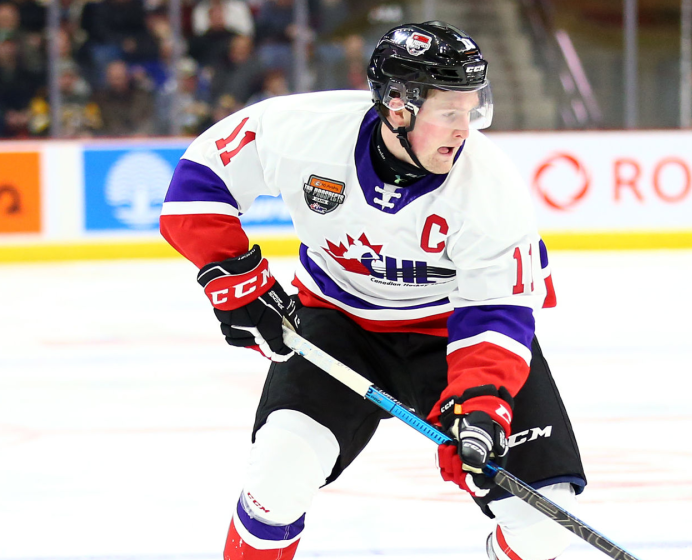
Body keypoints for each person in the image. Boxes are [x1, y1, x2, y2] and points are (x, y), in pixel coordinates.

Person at [160, 21, 587, 560]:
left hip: (448, 334)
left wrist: (482, 407)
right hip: (337, 325)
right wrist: (239, 281)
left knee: (542, 520)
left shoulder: (491, 190)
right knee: (275, 483)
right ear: (398, 106)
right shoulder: (305, 130)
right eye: (449, 112)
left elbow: (497, 315)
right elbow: (196, 185)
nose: (464, 129)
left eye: (472, 110)